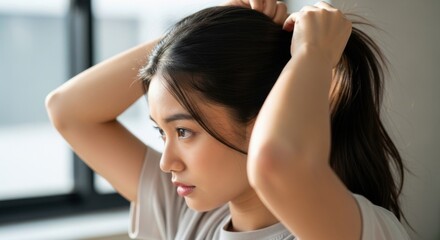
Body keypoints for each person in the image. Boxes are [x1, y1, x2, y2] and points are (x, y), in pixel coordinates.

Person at [46, 0, 411, 239]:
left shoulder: (349, 229)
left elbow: (275, 164)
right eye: (162, 132)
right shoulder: (189, 216)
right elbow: (67, 109)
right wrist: (210, 28)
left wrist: (314, 53)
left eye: (184, 131)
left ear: (263, 120)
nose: (167, 162)